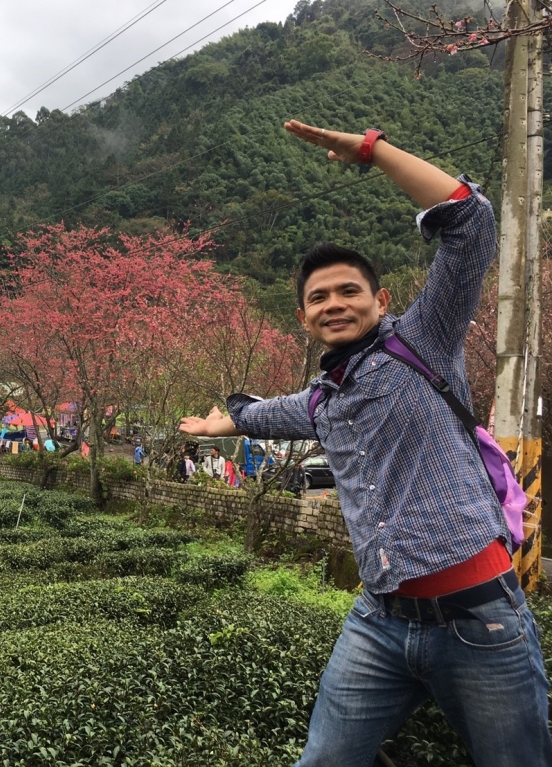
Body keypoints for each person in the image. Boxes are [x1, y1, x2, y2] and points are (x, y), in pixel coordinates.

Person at [181, 120, 552, 766]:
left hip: (481, 619)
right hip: (380, 624)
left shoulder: (424, 338)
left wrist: (373, 152)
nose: (333, 303)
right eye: (318, 297)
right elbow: (269, 414)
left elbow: (472, 223)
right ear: (303, 318)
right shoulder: (325, 401)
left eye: (348, 290)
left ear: (380, 300)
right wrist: (226, 422)